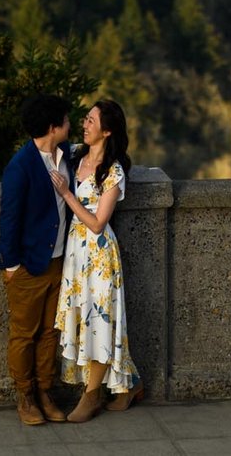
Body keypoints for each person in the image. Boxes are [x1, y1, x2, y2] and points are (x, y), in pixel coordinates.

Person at [51, 98, 141, 421]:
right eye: (86, 119)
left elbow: (98, 223)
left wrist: (67, 195)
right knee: (82, 319)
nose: (85, 124)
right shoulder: (75, 155)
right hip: (76, 252)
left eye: (91, 120)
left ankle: (91, 396)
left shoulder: (114, 172)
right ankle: (127, 385)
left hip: (100, 255)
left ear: (107, 131)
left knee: (100, 321)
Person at [0, 93, 73, 426]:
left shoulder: (66, 153)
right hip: (27, 265)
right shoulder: (21, 167)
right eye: (66, 121)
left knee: (50, 332)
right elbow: (9, 219)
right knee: (24, 334)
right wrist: (12, 267)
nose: (71, 125)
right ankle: (25, 395)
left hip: (58, 261)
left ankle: (45, 391)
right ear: (53, 127)